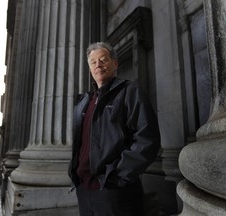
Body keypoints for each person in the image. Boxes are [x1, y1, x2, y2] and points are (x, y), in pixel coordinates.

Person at [68, 42, 161, 216]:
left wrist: (118, 176)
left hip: (114, 191)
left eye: (103, 60)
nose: (98, 65)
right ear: (90, 69)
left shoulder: (129, 91)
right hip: (84, 190)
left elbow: (147, 138)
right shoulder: (84, 102)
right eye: (93, 62)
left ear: (114, 64)